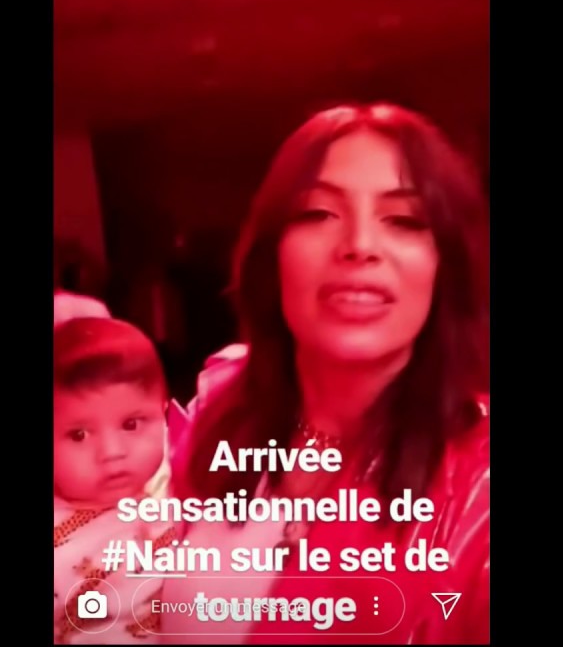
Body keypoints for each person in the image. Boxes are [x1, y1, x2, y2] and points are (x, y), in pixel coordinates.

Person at [161, 103, 489, 643]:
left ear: (444, 265)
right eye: (318, 213)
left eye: (405, 220)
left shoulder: (480, 482)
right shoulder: (218, 407)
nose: (359, 246)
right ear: (274, 254)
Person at [54, 318, 175, 643]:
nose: (112, 452)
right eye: (79, 435)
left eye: (131, 424)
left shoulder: (182, 502)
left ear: (163, 414)